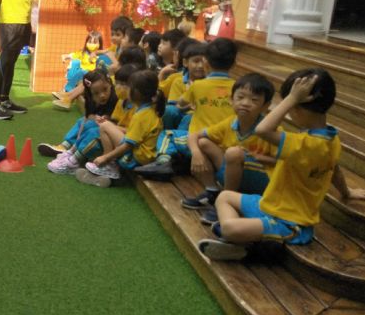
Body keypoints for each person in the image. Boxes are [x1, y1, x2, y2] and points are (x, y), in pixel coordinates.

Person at [198, 69, 365, 261]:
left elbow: (262, 130)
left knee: (229, 228)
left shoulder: (303, 144)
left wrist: (292, 98)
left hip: (290, 222)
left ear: (296, 108)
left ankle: (250, 247)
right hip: (270, 205)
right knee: (225, 196)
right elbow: (334, 169)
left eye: (290, 106)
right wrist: (347, 192)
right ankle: (247, 241)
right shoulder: (331, 138)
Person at [181, 73, 277, 224]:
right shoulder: (231, 122)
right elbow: (194, 136)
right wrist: (196, 154)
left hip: (261, 181)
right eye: (240, 97)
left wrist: (256, 157)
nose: (245, 103)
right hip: (235, 174)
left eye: (254, 100)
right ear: (231, 100)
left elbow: (284, 161)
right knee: (203, 143)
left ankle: (224, 204)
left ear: (265, 106)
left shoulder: (270, 130)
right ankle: (212, 191)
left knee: (233, 153)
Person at [135, 38, 238, 179]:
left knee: (168, 135)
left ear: (206, 62)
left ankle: (163, 162)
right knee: (184, 118)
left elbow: (181, 102)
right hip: (227, 143)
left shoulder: (198, 85)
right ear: (234, 64)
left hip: (199, 141)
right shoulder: (237, 87)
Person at [76, 69, 165, 188]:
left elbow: (128, 145)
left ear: (136, 93)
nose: (125, 90)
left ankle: (109, 165)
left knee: (105, 126)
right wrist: (112, 127)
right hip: (144, 155)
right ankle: (108, 166)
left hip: (138, 157)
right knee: (106, 126)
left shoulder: (141, 116)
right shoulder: (148, 110)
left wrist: (105, 157)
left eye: (128, 87)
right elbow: (132, 134)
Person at [45, 70, 117, 174]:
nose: (102, 95)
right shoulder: (91, 101)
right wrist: (74, 147)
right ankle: (67, 147)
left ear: (110, 84)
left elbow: (114, 122)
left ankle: (75, 161)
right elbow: (87, 118)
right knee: (83, 122)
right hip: (106, 129)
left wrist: (105, 120)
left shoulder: (115, 99)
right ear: (90, 94)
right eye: (96, 93)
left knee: (94, 131)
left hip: (112, 136)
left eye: (105, 89)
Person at [51, 30, 102, 110]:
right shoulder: (84, 53)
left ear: (100, 44)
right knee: (78, 69)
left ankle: (67, 93)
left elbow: (99, 68)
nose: (92, 45)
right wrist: (66, 56)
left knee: (82, 73)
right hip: (84, 75)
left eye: (95, 42)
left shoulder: (100, 56)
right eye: (90, 42)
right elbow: (74, 55)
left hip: (91, 75)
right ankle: (67, 94)